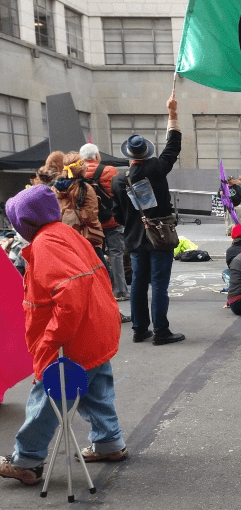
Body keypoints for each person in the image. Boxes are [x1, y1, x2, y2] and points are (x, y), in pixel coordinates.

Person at [0, 186, 127, 487]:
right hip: (95, 329)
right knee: (95, 390)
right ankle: (109, 443)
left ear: (23, 222)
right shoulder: (64, 233)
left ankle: (27, 461)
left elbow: (69, 296)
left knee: (47, 399)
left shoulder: (46, 244)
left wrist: (49, 343)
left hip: (72, 340)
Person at [111, 92, 185, 346]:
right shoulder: (156, 168)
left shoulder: (118, 180)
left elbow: (117, 214)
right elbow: (173, 145)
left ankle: (140, 329)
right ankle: (161, 331)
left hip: (134, 239)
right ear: (146, 152)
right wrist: (172, 113)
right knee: (159, 285)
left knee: (138, 286)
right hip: (160, 236)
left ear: (129, 155)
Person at [80, 143, 130, 301]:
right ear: (96, 156)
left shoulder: (77, 174)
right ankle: (121, 290)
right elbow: (117, 193)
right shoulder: (110, 171)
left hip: (91, 223)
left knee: (95, 256)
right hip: (112, 219)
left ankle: (101, 290)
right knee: (116, 254)